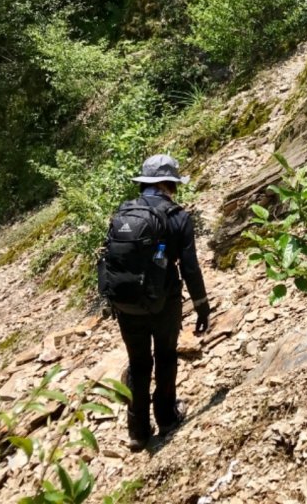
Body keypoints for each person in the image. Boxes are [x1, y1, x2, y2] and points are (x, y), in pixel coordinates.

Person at [111, 154, 210, 452]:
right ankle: (166, 417)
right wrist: (202, 306)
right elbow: (190, 267)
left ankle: (137, 431)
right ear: (170, 184)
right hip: (163, 302)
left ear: (145, 183)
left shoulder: (122, 212)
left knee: (139, 364)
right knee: (165, 356)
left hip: (126, 304)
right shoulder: (178, 217)